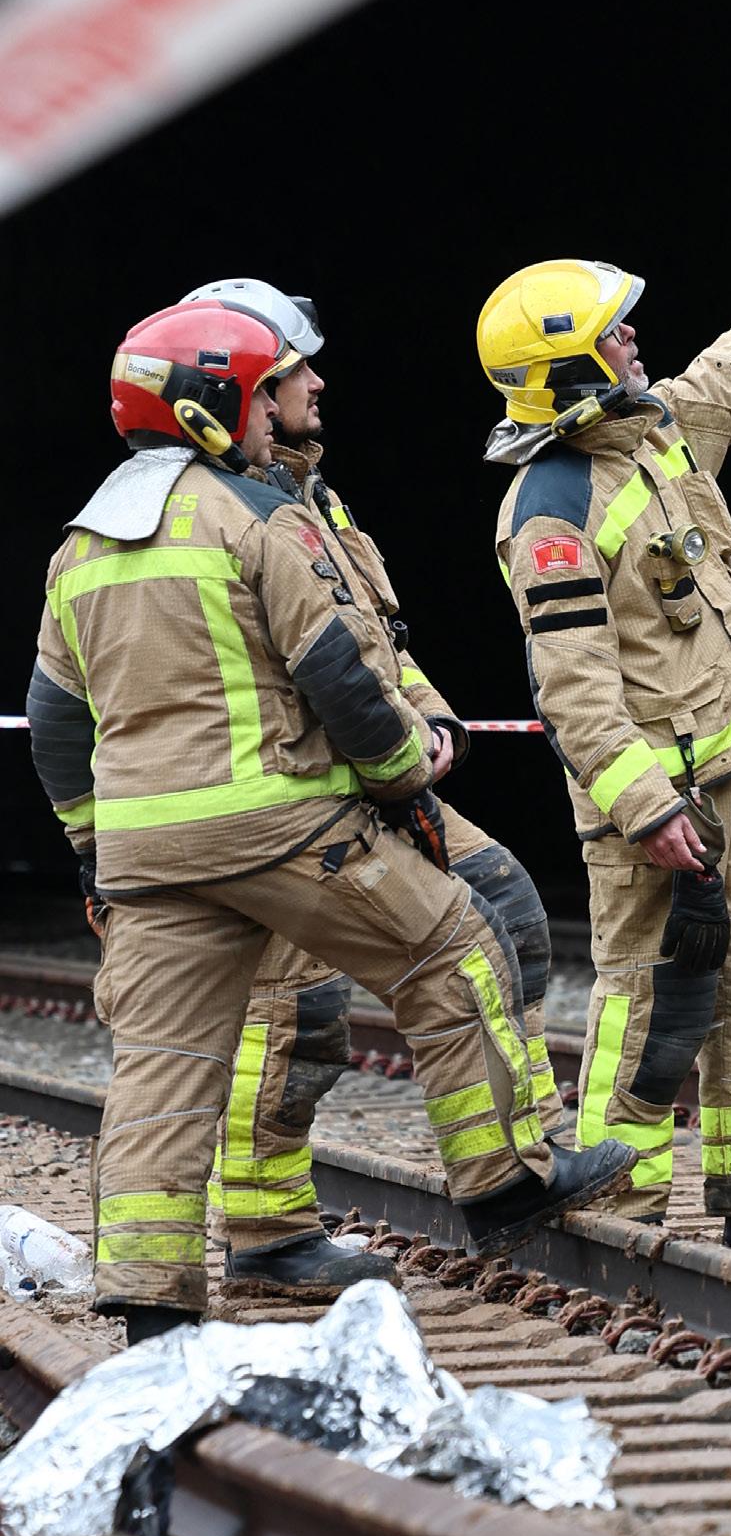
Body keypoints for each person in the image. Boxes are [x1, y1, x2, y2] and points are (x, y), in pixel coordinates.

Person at [27, 302, 633, 1339]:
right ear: (214, 404)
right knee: (455, 949)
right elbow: (338, 674)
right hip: (278, 825)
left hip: (144, 856)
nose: (280, 407)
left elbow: (53, 721)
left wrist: (92, 849)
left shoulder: (79, 547)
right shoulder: (251, 518)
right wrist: (402, 780)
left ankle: (149, 1306)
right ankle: (505, 1182)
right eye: (263, 390)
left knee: (163, 1069)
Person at [478, 165, 731, 1273]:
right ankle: (621, 1214)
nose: (633, 340)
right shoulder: (553, 506)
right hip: (659, 810)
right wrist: (647, 808)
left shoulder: (659, 435)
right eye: (612, 333)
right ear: (569, 366)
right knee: (657, 1011)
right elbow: (573, 687)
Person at [174, 278, 569, 1282]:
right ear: (248, 389)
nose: (318, 382)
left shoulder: (311, 495)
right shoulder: (212, 511)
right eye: (296, 368)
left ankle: (523, 1157)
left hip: (368, 771)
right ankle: (266, 1234)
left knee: (506, 907)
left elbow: (374, 640)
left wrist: (431, 719)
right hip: (287, 794)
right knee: (294, 1012)